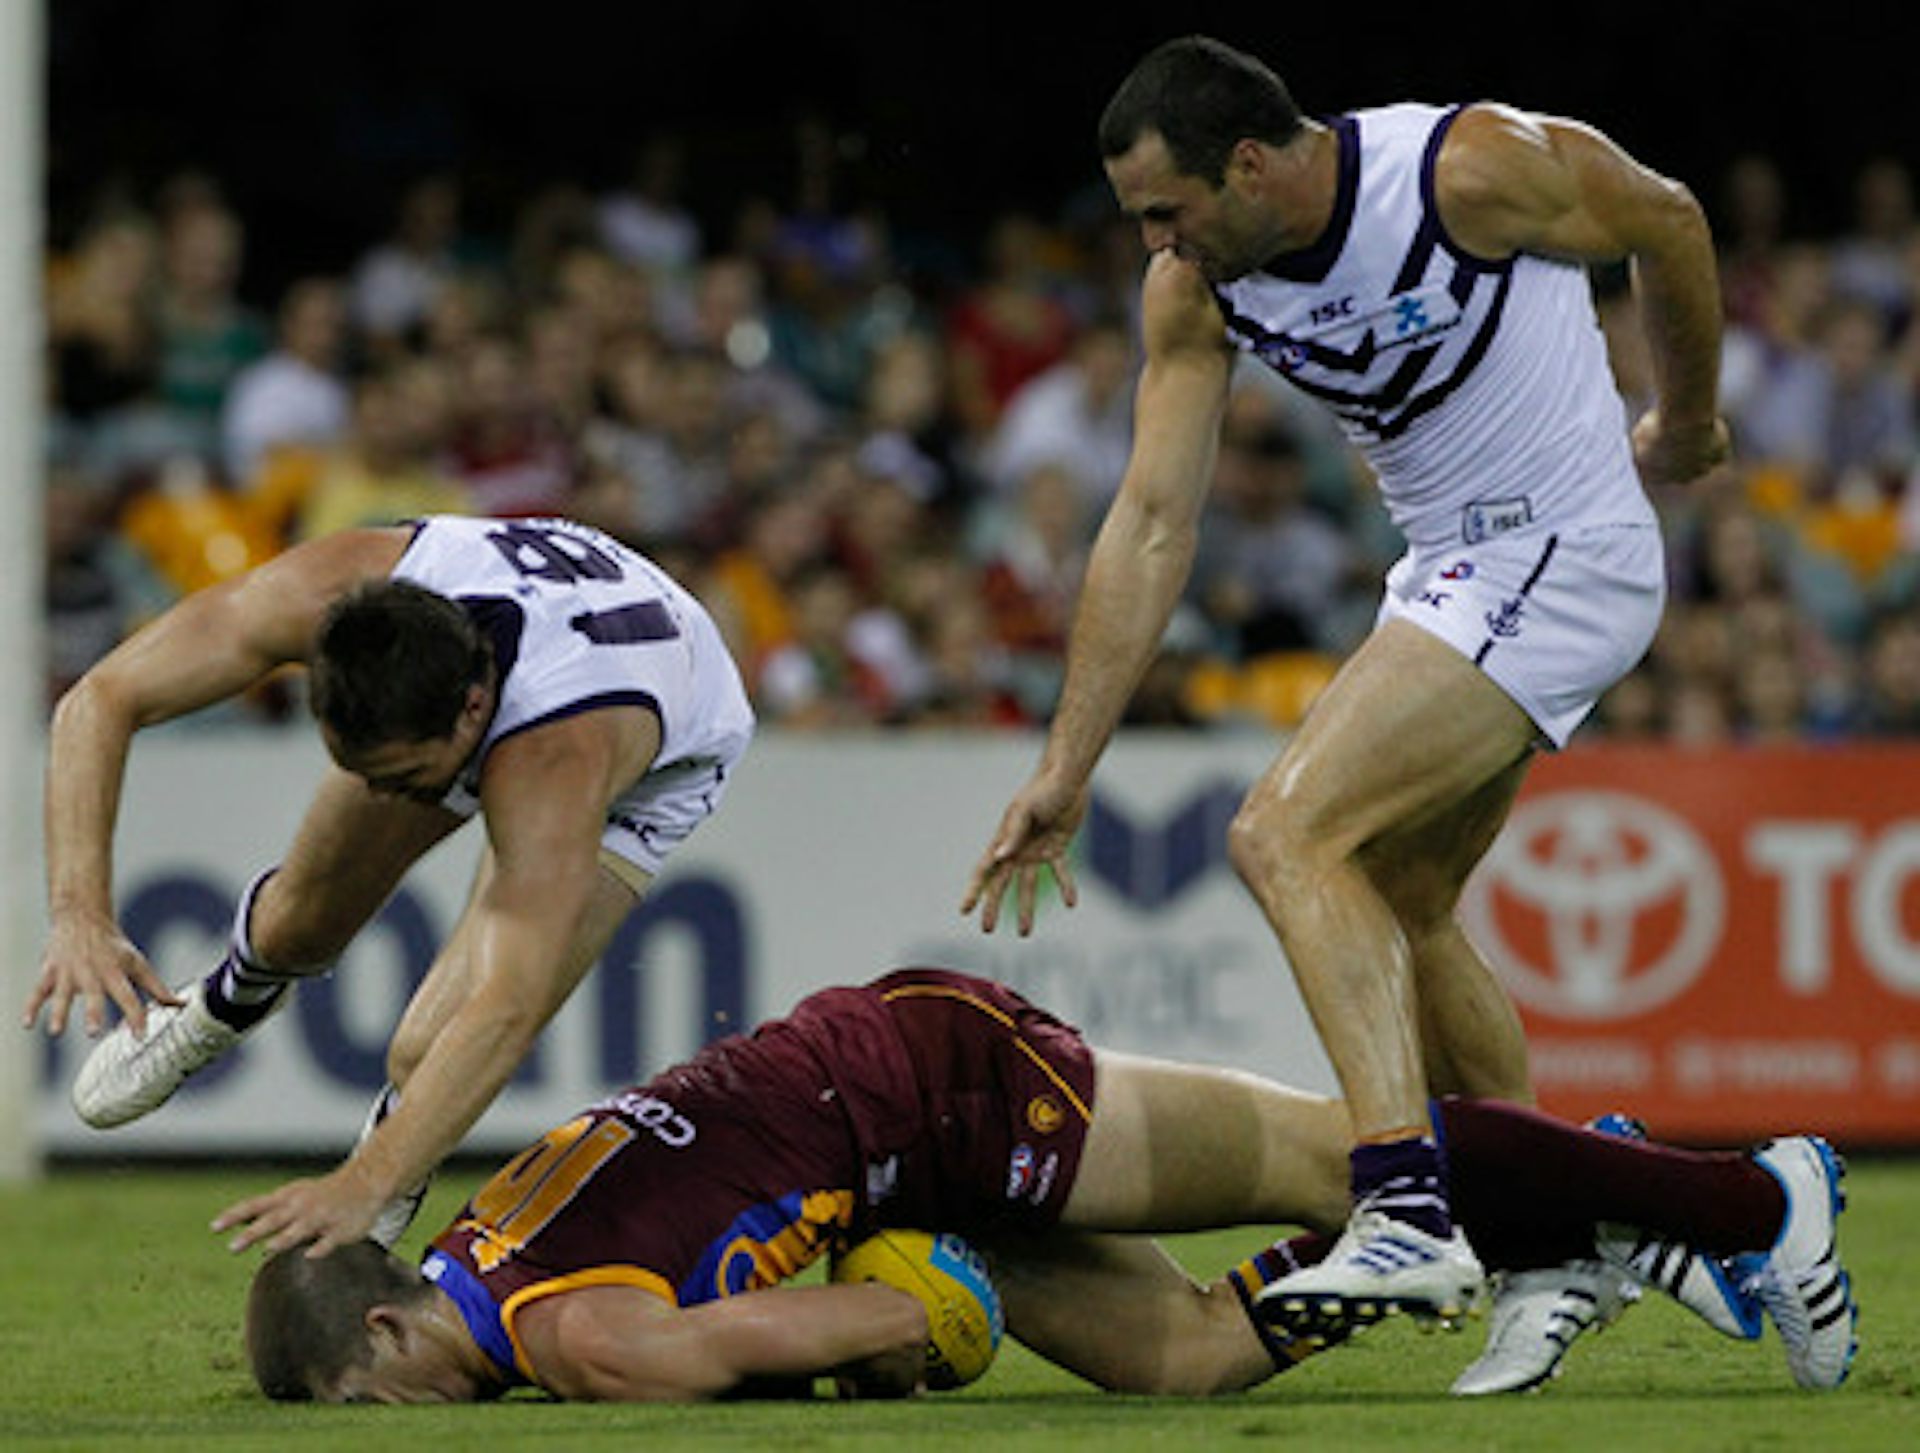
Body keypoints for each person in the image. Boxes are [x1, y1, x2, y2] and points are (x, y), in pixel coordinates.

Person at [962, 35, 1732, 1340]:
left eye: (1169, 209)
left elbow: (1670, 218)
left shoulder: (1466, 171)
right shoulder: (1195, 291)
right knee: (1404, 902)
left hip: (1561, 549)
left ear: (1250, 163)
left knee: (1282, 833)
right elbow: (1152, 521)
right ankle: (1577, 1230)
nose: (1157, 243)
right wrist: (1067, 763)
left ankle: (1406, 1208)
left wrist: (1692, 417)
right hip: (1448, 571)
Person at [241, 967, 1856, 1404]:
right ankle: (1567, 1209)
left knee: (1321, 1141)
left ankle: (1744, 1196)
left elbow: (895, 1314)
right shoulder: (474, 1243)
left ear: (386, 1334)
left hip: (925, 1084)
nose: (400, 1422)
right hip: (874, 1125)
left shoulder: (574, 1344)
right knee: (1187, 1360)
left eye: (368, 1401)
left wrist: (891, 1341)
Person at [22, 514, 754, 1257]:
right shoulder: (334, 593)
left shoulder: (553, 762)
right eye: (360, 768)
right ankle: (227, 999)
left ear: (472, 713)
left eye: (400, 777)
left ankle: (382, 1200)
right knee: (296, 926)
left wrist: (364, 1179)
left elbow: (509, 1007)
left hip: (664, 744)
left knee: (428, 1048)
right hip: (545, 628)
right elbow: (99, 698)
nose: (380, 793)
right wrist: (79, 912)